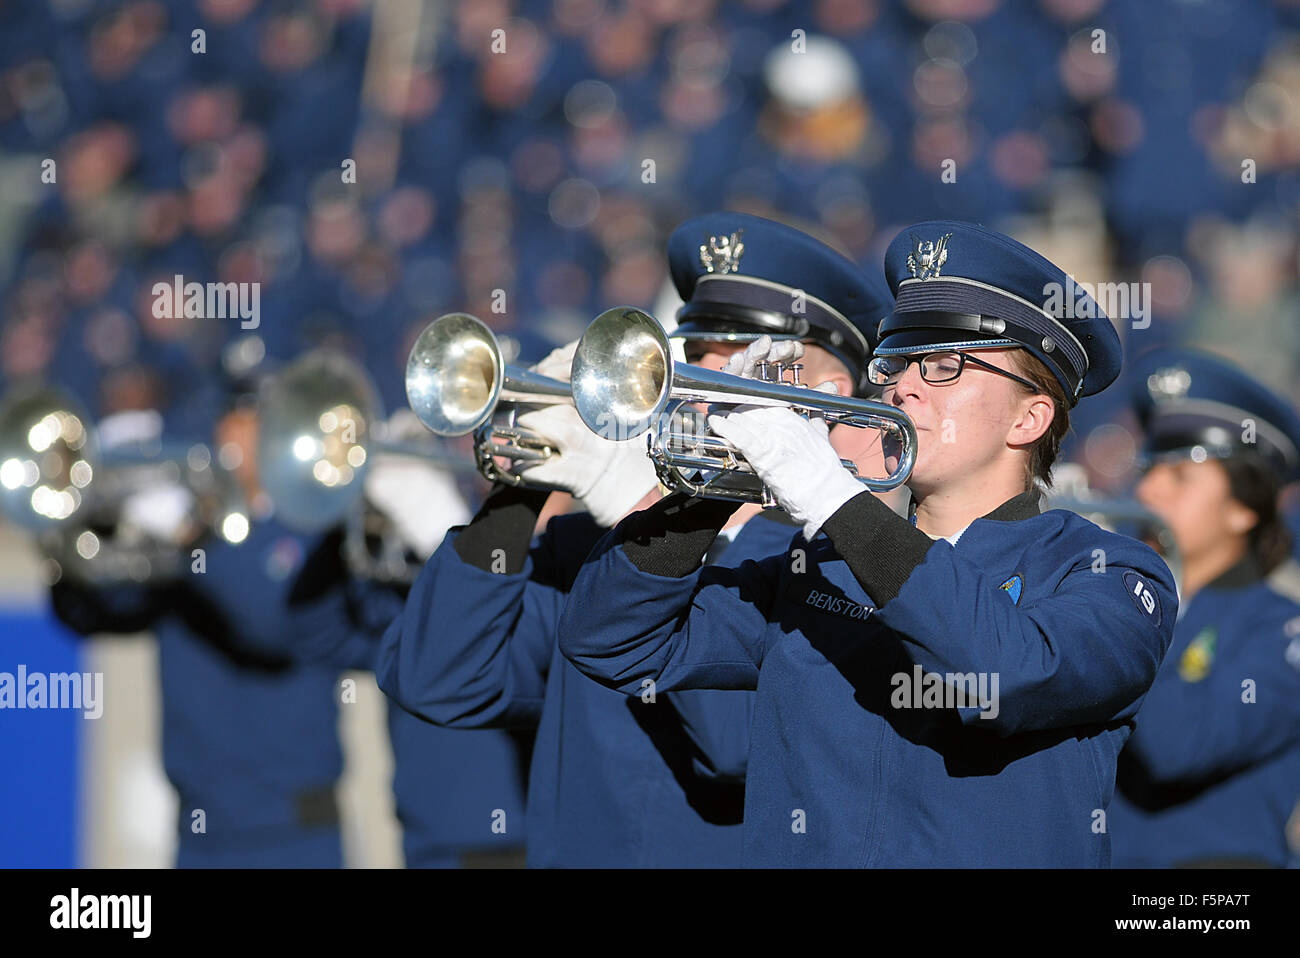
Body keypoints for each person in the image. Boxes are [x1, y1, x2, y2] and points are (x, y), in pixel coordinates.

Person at [558, 220, 1179, 867]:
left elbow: (1003, 675)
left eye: (946, 365)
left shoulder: (1109, 573)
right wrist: (712, 485)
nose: (903, 385)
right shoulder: (820, 571)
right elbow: (608, 639)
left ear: (1030, 417)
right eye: (899, 362)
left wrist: (833, 498)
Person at [377, 211, 892, 867]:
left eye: (742, 356)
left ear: (829, 393)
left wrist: (636, 510)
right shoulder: (586, 549)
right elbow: (439, 681)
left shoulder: (832, 569)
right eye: (697, 352)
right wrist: (523, 476)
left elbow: (734, 751)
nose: (703, 375)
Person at [1109, 348, 1300, 868]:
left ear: (1243, 507)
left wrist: (1126, 606)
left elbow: (1176, 745)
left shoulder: (1279, 631)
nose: (1146, 490)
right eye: (1148, 470)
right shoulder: (1109, 593)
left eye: (1179, 478)